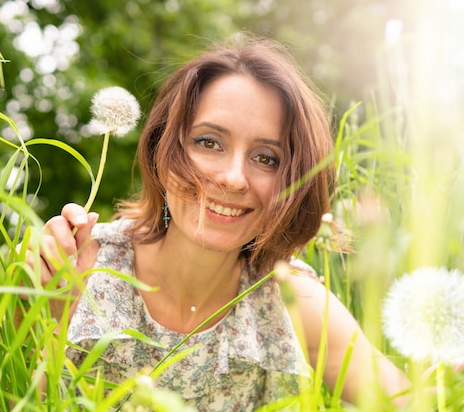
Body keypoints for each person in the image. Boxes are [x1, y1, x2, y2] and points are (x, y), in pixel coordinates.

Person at [21, 35, 410, 410]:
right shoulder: (80, 267)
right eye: (209, 142)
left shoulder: (289, 299)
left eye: (266, 158)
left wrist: (461, 379)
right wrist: (42, 319)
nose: (233, 178)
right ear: (162, 149)